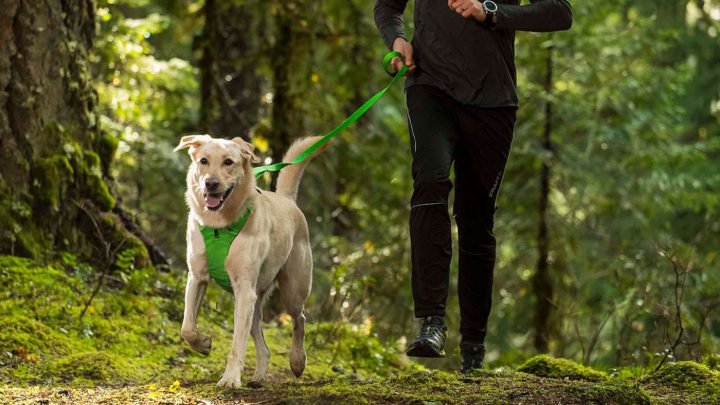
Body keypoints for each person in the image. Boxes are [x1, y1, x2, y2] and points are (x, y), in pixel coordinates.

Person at [374, 0, 572, 372]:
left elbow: (561, 13)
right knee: (430, 183)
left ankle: (473, 348)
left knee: (476, 219)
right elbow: (388, 7)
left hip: (493, 100)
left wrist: (492, 12)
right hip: (430, 88)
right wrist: (397, 40)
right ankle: (431, 322)